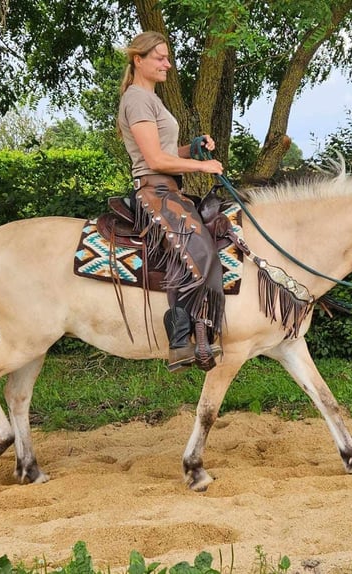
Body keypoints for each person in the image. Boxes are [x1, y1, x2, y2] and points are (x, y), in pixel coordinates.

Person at [117, 30, 225, 372]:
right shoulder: (136, 99)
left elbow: (165, 152)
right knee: (201, 250)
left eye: (167, 57)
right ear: (139, 60)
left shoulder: (152, 99)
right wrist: (202, 165)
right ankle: (181, 341)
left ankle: (197, 333)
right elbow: (154, 159)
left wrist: (191, 148)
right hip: (154, 189)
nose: (168, 63)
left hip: (168, 189)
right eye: (160, 58)